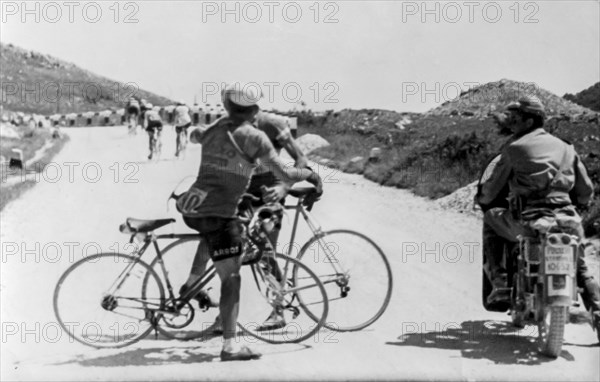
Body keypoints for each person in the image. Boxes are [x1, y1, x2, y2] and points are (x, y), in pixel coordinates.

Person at [178, 83, 323, 361]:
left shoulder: (228, 127)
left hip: (209, 203)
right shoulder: (254, 136)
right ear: (254, 108)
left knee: (249, 247)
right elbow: (289, 170)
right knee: (229, 268)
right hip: (228, 205)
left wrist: (278, 188)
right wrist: (309, 176)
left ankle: (270, 308)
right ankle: (228, 339)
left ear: (226, 106)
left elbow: (200, 137)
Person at [477, 96, 600, 332]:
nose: (511, 123)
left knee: (491, 217)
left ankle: (501, 282)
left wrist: (482, 199)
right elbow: (586, 192)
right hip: (568, 220)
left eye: (516, 119)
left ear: (529, 120)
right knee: (580, 267)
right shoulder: (567, 148)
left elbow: (492, 189)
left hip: (530, 222)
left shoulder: (513, 149)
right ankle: (598, 312)